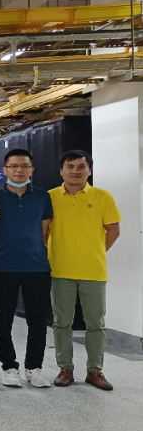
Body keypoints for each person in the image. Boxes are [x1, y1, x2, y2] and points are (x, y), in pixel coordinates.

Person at [48, 150, 121, 391]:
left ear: (89, 170)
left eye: (81, 166)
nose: (75, 171)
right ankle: (65, 369)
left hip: (93, 271)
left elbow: (113, 230)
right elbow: (44, 232)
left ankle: (94, 371)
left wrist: (94, 252)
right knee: (62, 323)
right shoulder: (50, 197)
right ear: (61, 171)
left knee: (96, 323)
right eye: (70, 166)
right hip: (60, 270)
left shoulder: (102, 196)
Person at [0, 149, 54, 389]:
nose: (19, 170)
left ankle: (34, 368)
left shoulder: (42, 197)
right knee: (3, 320)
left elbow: (44, 232)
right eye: (13, 166)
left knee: (37, 321)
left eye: (24, 166)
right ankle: (9, 367)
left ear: (32, 170)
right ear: (4, 170)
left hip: (36, 267)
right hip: (2, 267)